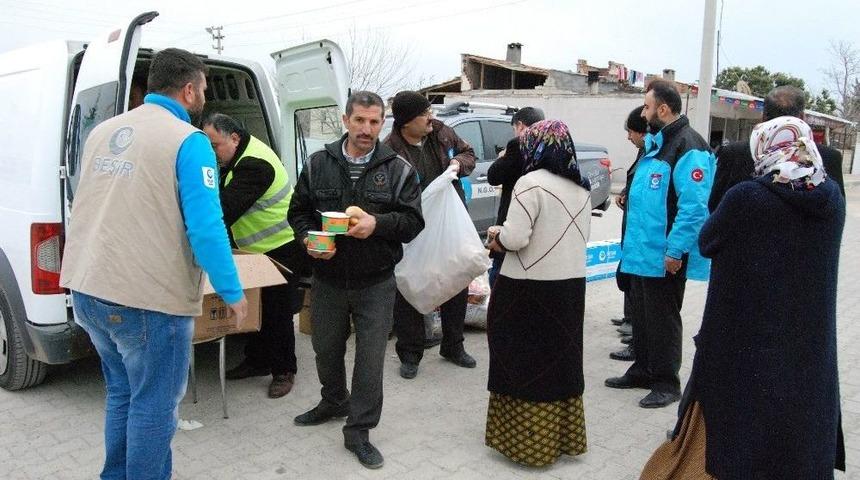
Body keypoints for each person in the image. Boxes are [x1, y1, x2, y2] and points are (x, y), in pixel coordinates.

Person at [59, 48, 247, 480]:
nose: (204, 97)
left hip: (88, 288)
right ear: (188, 90)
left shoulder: (103, 131)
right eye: (203, 88)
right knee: (155, 406)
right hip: (146, 302)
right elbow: (206, 228)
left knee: (122, 393)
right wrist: (232, 291)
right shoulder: (189, 141)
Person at [640, 116, 846, 479]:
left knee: (741, 443)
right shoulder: (832, 199)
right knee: (795, 440)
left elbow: (708, 241)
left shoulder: (748, 197)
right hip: (809, 348)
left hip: (747, 344)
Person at [288, 91, 424, 470]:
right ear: (346, 120)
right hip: (327, 279)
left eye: (374, 121)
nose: (366, 128)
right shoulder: (318, 163)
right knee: (325, 348)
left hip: (375, 282)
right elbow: (298, 212)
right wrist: (308, 240)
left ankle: (359, 430)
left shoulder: (398, 169)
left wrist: (376, 223)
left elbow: (413, 222)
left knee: (369, 359)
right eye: (360, 120)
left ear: (383, 123)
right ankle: (334, 400)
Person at [484, 120, 592, 467]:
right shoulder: (582, 188)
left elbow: (516, 238)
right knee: (559, 361)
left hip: (527, 289)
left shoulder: (529, 183)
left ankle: (527, 446)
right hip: (570, 288)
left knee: (523, 361)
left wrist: (497, 236)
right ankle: (560, 439)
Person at [605, 80, 714, 409]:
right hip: (641, 251)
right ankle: (642, 370)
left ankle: (666, 383)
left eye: (647, 106)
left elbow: (694, 207)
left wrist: (675, 250)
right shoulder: (656, 143)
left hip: (664, 255)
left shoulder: (688, 146)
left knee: (663, 320)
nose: (643, 112)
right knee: (642, 316)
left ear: (663, 109)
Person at [202, 113, 310, 399]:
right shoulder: (235, 157)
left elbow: (224, 210)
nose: (212, 152)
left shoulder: (254, 165)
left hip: (280, 247)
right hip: (256, 249)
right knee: (254, 305)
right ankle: (257, 361)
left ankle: (284, 371)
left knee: (277, 312)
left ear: (234, 138)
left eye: (215, 145)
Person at [384, 90, 478, 379]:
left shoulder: (441, 133)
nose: (430, 117)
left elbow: (468, 153)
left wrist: (457, 164)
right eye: (424, 113)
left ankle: (453, 346)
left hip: (447, 222)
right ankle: (410, 353)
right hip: (413, 226)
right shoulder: (389, 150)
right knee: (411, 285)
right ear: (406, 122)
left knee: (455, 278)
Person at [709, 85, 846, 212]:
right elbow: (837, 211)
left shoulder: (734, 153)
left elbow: (715, 205)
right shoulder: (829, 157)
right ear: (802, 117)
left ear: (763, 117)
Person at [486, 106, 545, 287]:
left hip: (514, 218)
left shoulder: (517, 145)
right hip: (540, 222)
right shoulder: (551, 145)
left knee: (500, 275)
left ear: (520, 125)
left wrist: (502, 157)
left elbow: (493, 177)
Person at [610, 105, 648, 363]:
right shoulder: (645, 153)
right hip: (633, 228)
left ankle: (636, 329)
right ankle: (631, 320)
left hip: (644, 235)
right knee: (628, 274)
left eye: (631, 132)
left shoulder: (658, 153)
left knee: (637, 282)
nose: (628, 137)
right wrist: (625, 194)